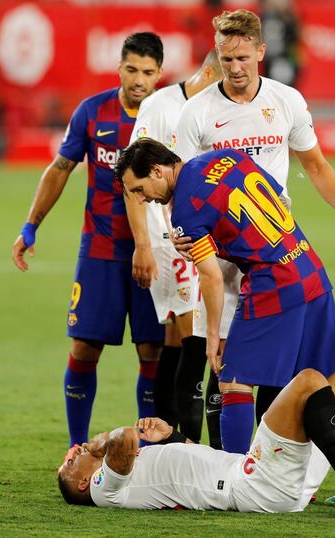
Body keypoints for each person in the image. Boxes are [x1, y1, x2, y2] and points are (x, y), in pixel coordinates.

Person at [114, 137, 335, 515]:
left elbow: (212, 279)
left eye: (139, 189)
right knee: (333, 385)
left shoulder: (185, 207)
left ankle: (236, 480)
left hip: (274, 283)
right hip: (309, 269)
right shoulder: (225, 157)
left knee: (233, 381)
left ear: (157, 170)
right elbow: (275, 200)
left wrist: (214, 336)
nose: (143, 199)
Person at [173, 9, 335, 474]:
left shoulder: (286, 101)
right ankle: (233, 470)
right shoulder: (195, 113)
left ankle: (278, 468)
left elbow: (315, 164)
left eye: (242, 57)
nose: (234, 68)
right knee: (223, 365)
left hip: (274, 257)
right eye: (225, 58)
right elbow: (180, 188)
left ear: (261, 52)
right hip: (221, 263)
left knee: (277, 371)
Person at [11, 33, 165, 448]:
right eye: (132, 69)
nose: (139, 79)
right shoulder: (92, 112)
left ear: (159, 75)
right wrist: (31, 224)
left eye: (148, 72)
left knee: (153, 350)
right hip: (100, 249)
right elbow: (60, 168)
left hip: (155, 252)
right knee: (84, 348)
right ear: (119, 67)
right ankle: (76, 445)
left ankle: (148, 451)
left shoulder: (170, 115)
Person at [58, 368, 335, 518]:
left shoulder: (128, 474)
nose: (72, 454)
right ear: (80, 482)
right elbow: (124, 441)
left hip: (262, 482)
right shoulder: (103, 491)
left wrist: (172, 438)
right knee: (307, 382)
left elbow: (195, 466)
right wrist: (97, 443)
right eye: (69, 463)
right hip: (253, 485)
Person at [126, 50, 223, 444]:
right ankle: (195, 444)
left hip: (201, 233)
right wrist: (143, 245)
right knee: (197, 339)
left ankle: (166, 437)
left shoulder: (217, 109)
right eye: (228, 68)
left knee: (177, 338)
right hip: (170, 240)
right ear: (212, 70)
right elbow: (132, 176)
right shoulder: (160, 106)